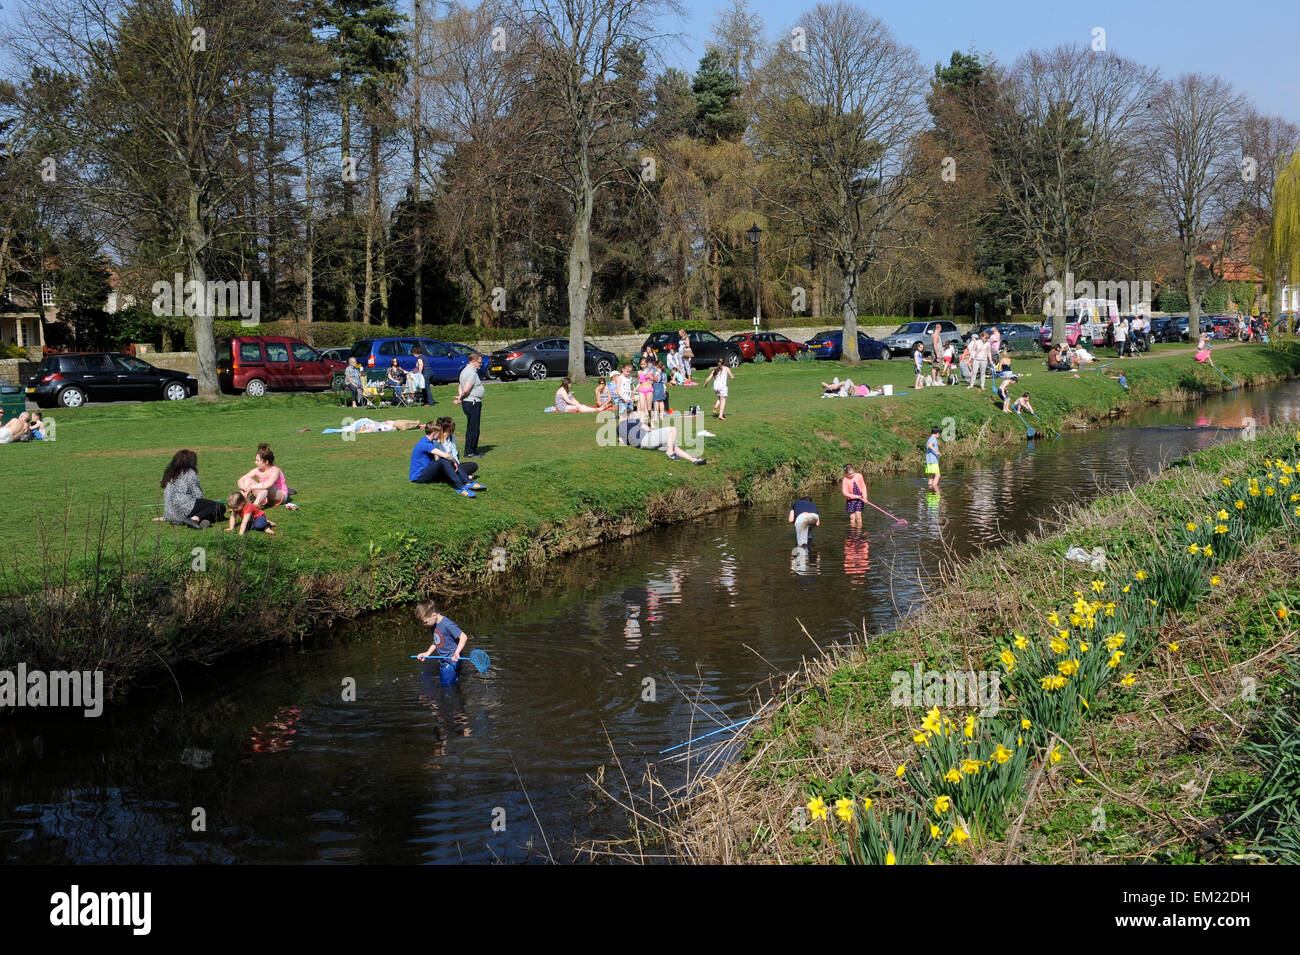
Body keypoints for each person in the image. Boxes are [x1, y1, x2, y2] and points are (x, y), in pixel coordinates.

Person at [158, 449, 224, 529]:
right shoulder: (190, 472)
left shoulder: (169, 474)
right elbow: (198, 495)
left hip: (172, 517)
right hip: (187, 509)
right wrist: (205, 506)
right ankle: (196, 519)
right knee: (219, 506)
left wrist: (165, 516)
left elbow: (168, 498)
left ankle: (202, 520)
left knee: (209, 511)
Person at [409, 420, 477, 495]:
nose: (439, 435)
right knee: (444, 460)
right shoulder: (425, 444)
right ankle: (460, 487)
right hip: (419, 477)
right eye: (439, 433)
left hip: (427, 472)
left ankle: (467, 481)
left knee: (445, 463)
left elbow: (437, 460)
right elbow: (446, 456)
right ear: (434, 433)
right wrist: (454, 462)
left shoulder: (427, 441)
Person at [616, 411, 705, 464]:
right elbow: (647, 429)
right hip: (646, 438)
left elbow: (621, 440)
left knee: (672, 445)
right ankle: (669, 452)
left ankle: (694, 460)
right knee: (672, 429)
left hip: (640, 445)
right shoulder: (633, 420)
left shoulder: (618, 428)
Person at [414, 600, 470, 683]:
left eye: (425, 622)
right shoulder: (433, 624)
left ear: (434, 615)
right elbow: (437, 641)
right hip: (445, 660)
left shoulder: (447, 624)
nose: (424, 625)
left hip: (452, 660)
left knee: (446, 685)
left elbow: (463, 637)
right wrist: (427, 653)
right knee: (452, 681)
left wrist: (457, 652)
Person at [453, 352, 485, 458]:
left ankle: (472, 450)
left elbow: (460, 385)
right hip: (472, 403)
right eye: (480, 362)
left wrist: (460, 396)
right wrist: (461, 398)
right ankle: (470, 452)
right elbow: (466, 389)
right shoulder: (471, 373)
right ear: (473, 361)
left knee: (472, 427)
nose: (481, 364)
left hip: (469, 402)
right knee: (473, 428)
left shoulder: (464, 371)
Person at [436, 417, 484, 488]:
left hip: (455, 465)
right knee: (451, 470)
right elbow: (437, 460)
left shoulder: (451, 437)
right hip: (445, 467)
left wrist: (457, 466)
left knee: (473, 465)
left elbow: (455, 454)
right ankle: (464, 478)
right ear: (450, 429)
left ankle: (459, 475)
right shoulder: (437, 441)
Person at [237, 444, 289, 509]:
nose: (255, 462)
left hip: (280, 496)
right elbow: (241, 480)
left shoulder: (275, 470)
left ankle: (254, 507)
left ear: (266, 462)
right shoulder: (256, 470)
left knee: (266, 486)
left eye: (258, 460)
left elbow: (269, 484)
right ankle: (240, 504)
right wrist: (245, 488)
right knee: (247, 480)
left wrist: (251, 487)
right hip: (265, 496)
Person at [651, 360, 668, 425]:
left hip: (656, 387)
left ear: (656, 366)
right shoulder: (664, 374)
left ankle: (655, 417)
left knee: (656, 402)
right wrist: (665, 391)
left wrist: (651, 377)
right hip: (662, 387)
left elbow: (655, 380)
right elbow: (665, 382)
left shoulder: (656, 373)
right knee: (661, 402)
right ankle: (661, 416)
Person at [925, 426, 941, 492]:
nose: (939, 436)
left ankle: (930, 489)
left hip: (929, 460)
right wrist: (937, 452)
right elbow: (930, 446)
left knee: (931, 476)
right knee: (938, 475)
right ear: (937, 433)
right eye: (939, 434)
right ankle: (935, 489)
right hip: (933, 460)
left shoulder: (929, 439)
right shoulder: (933, 438)